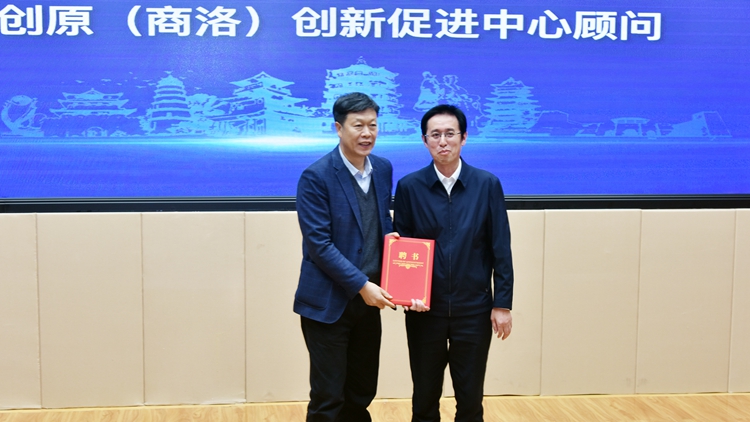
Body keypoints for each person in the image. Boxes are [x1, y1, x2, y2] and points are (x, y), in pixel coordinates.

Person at [393, 104, 514, 422]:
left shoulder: (486, 184)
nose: (443, 141)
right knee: (424, 400)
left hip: (473, 310)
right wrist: (406, 294)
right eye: (435, 135)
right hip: (424, 311)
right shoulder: (409, 187)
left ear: (464, 137)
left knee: (470, 401)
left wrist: (502, 304)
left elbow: (500, 248)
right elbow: (404, 248)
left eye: (450, 133)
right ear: (424, 141)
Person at [294, 92, 397, 422]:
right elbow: (319, 245)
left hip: (368, 303)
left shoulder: (382, 168)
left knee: (361, 392)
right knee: (329, 398)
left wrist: (393, 244)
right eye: (358, 125)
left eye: (373, 125)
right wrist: (362, 285)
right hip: (328, 303)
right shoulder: (316, 176)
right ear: (338, 128)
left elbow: (380, 222)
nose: (367, 133)